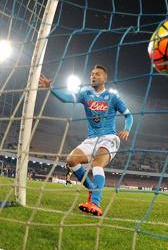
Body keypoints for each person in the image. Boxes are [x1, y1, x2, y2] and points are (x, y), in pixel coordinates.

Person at [39, 65, 133, 216]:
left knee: (97, 163)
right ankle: (91, 187)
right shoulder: (85, 94)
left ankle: (95, 203)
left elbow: (129, 115)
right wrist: (51, 88)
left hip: (109, 138)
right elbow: (66, 98)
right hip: (91, 139)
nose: (93, 76)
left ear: (104, 78)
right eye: (92, 74)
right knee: (71, 160)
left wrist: (127, 128)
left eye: (97, 74)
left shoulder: (112, 97)